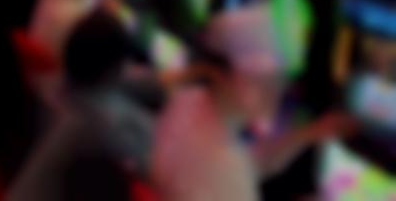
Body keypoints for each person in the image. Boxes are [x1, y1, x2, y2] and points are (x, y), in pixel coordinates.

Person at [151, 44, 356, 201]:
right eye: (264, 83)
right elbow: (234, 170)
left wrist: (310, 133)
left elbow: (252, 163)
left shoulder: (188, 100)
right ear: (230, 77)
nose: (275, 94)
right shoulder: (228, 166)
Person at [10, 10, 159, 201]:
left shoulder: (53, 87)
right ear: (113, 68)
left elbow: (129, 81)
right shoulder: (103, 123)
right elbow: (156, 167)